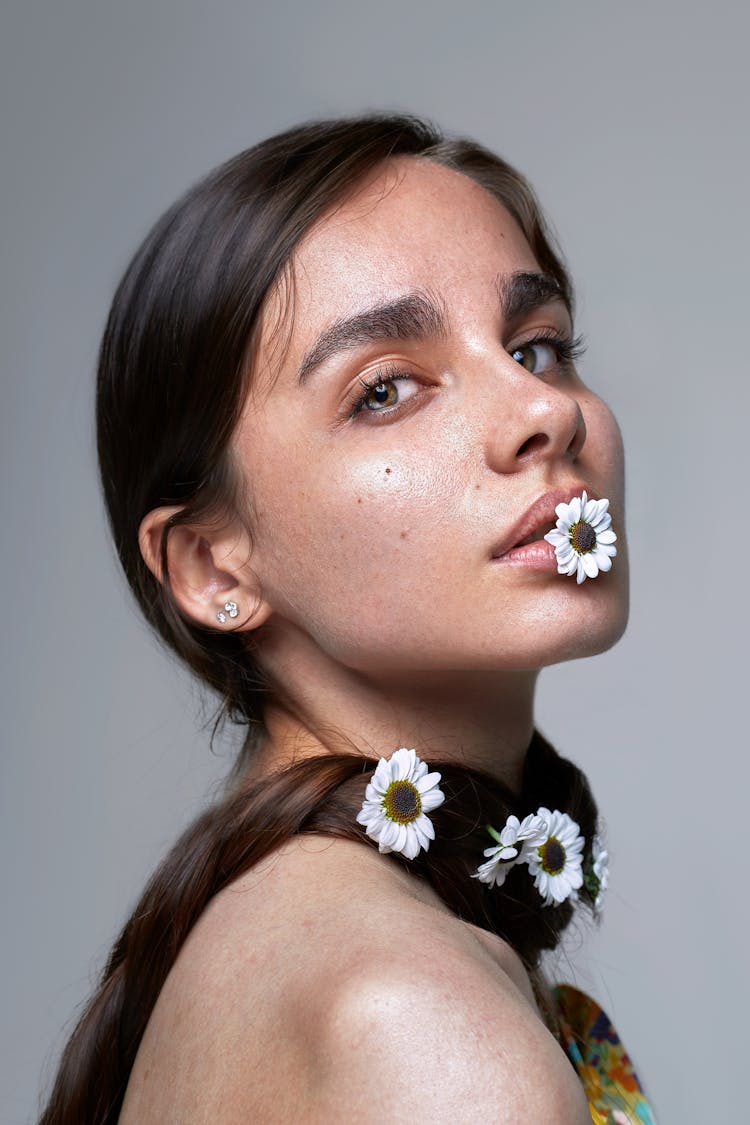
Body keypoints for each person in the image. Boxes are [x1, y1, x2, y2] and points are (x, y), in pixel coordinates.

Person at [40, 114, 656, 1124]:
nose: (545, 412)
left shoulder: (266, 931)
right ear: (211, 565)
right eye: (386, 391)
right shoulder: (423, 1029)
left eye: (538, 348)